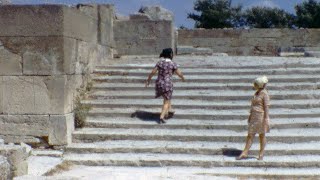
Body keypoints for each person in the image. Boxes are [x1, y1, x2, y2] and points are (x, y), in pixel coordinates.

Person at [145, 48, 185, 124]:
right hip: (167, 84)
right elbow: (179, 73)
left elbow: (153, 72)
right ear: (170, 55)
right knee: (166, 101)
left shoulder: (160, 63)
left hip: (159, 84)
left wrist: (148, 80)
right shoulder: (172, 64)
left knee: (166, 97)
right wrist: (183, 78)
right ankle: (162, 117)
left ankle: (169, 110)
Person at [237, 76, 270, 160]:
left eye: (255, 84)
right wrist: (250, 116)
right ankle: (245, 152)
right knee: (250, 134)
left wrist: (266, 119)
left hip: (261, 117)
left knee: (261, 135)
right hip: (254, 116)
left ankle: (261, 153)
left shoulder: (264, 93)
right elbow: (253, 106)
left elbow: (266, 107)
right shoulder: (256, 93)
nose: (254, 85)